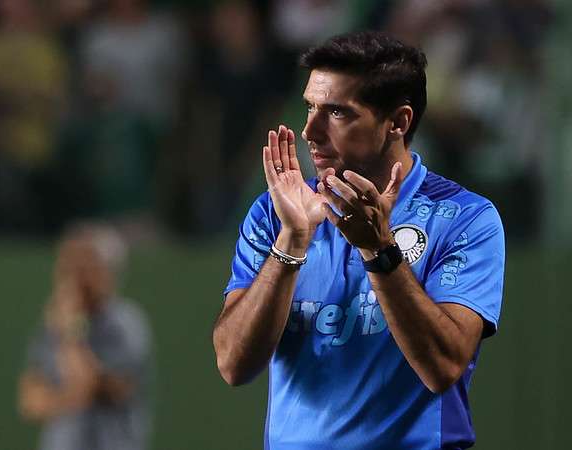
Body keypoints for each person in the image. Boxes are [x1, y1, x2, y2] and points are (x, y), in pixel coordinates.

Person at [213, 31, 505, 449]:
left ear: (398, 122)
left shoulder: (465, 218)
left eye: (336, 112)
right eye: (310, 107)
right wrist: (292, 241)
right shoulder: (275, 212)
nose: (309, 131)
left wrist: (380, 250)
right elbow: (233, 364)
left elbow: (443, 366)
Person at [18, 224, 152, 450]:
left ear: (108, 272)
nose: (74, 277)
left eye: (85, 266)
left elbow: (86, 384)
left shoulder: (125, 325)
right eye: (68, 266)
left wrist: (71, 328)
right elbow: (30, 402)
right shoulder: (53, 326)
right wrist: (67, 400)